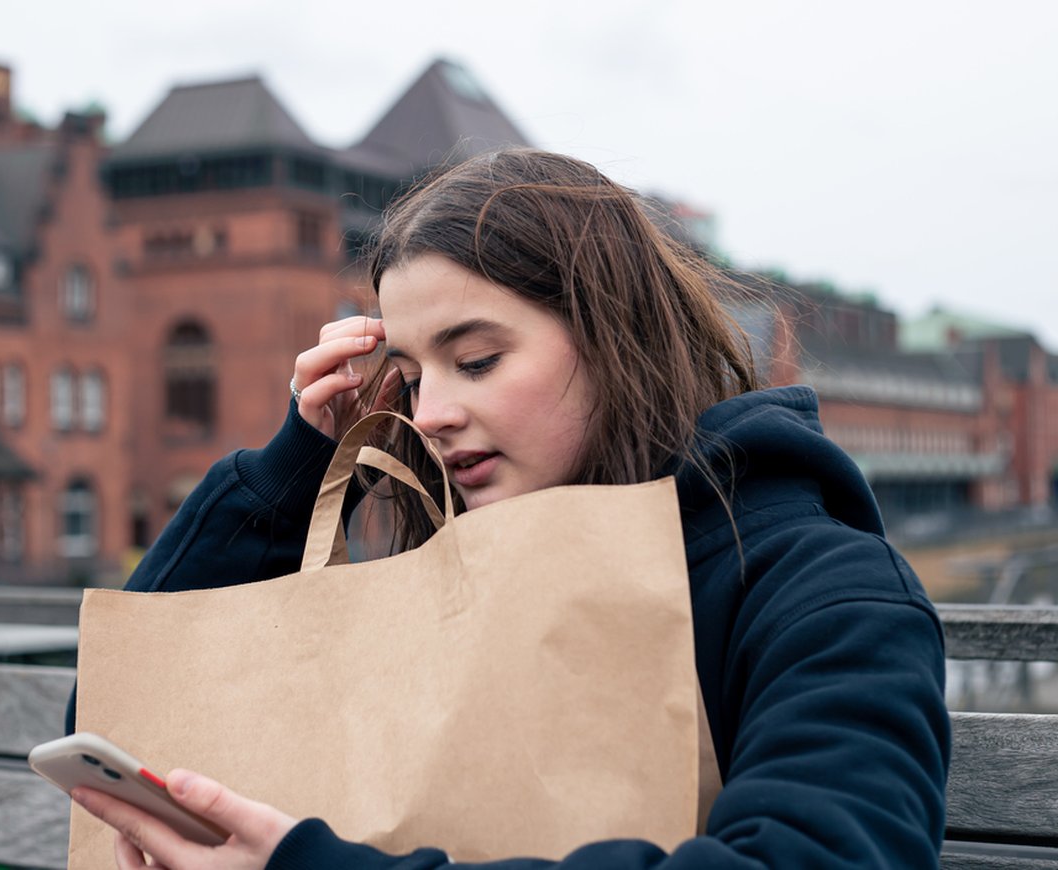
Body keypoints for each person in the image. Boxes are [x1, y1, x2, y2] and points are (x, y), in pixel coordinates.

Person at [69, 148, 950, 868]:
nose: (428, 414)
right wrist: (294, 469)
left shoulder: (825, 589)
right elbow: (122, 728)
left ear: (616, 340)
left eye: (478, 360)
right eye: (410, 378)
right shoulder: (441, 583)